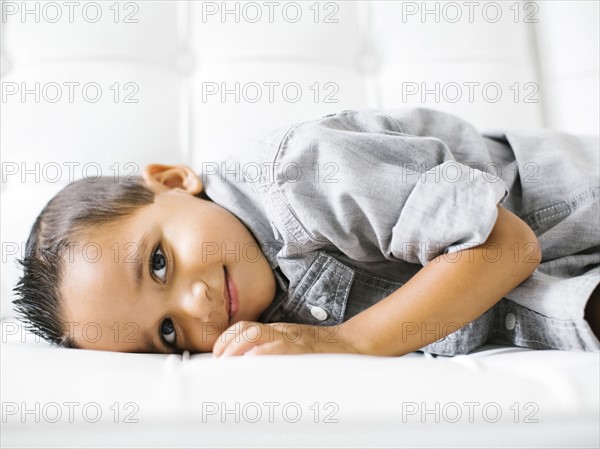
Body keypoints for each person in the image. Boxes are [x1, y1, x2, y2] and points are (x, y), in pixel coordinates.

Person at [13, 107, 600, 357]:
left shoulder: (300, 174)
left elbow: (505, 247)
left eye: (160, 263)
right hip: (546, 280)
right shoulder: (260, 323)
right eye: (167, 332)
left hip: (570, 202)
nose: (197, 307)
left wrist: (345, 343)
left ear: (173, 180)